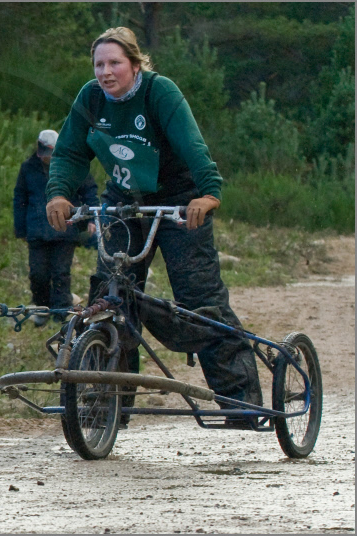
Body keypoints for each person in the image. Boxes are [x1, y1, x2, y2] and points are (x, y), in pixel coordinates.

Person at [45, 27, 263, 427]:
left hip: (180, 197)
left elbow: (192, 145)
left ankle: (241, 401)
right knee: (111, 298)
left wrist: (209, 192)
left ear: (134, 63)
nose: (106, 72)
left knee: (199, 296)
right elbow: (70, 152)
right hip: (124, 199)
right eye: (99, 64)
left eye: (115, 63)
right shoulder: (90, 98)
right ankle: (109, 404)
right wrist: (58, 193)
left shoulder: (159, 92)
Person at [14, 129, 98, 327]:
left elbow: (89, 192)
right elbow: (20, 198)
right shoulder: (28, 168)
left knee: (61, 272)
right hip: (36, 229)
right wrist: (21, 229)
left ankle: (61, 313)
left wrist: (92, 218)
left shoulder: (73, 166)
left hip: (65, 229)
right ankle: (42, 309)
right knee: (38, 273)